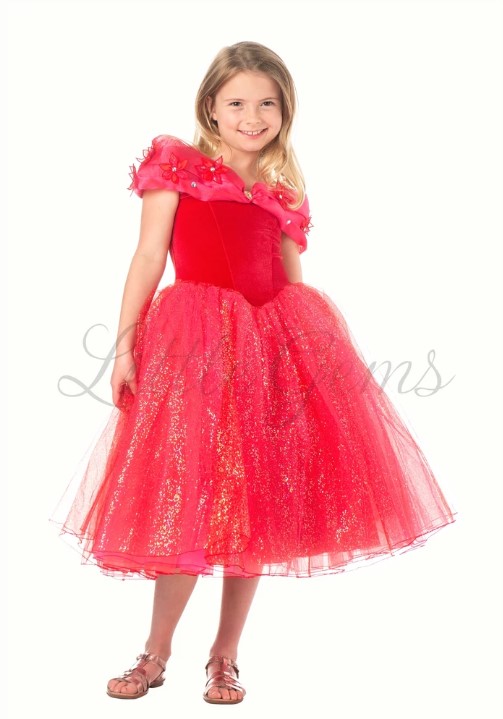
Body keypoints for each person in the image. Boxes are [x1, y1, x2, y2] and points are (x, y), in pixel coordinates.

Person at [51, 40, 458, 704]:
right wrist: (124, 346)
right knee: (188, 499)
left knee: (257, 506)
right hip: (195, 349)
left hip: (269, 351)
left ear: (284, 112)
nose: (252, 116)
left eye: (267, 104)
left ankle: (224, 655)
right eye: (237, 103)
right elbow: (149, 256)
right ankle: (156, 651)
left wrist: (308, 364)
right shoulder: (177, 168)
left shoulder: (280, 192)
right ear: (210, 108)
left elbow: (291, 282)